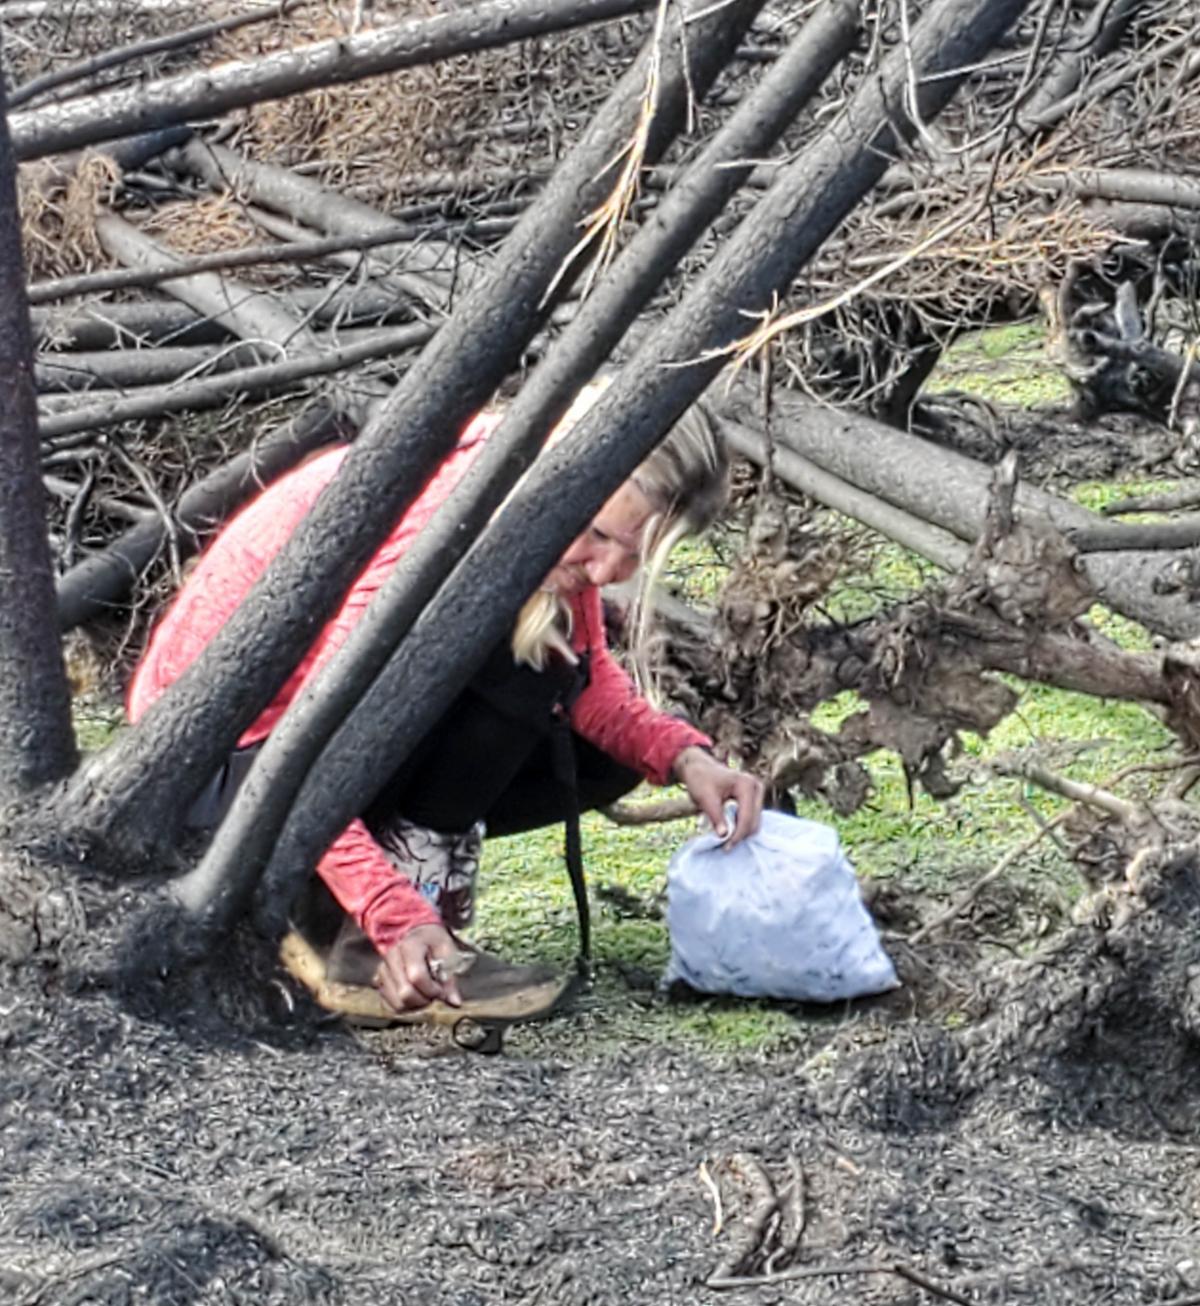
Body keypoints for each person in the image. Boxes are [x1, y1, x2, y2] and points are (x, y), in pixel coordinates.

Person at [129, 392, 764, 1022]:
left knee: (556, 679)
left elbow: (586, 675)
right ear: (568, 471)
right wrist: (391, 915)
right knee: (500, 662)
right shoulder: (443, 522)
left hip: (292, 759)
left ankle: (384, 905)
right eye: (598, 536)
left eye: (634, 557)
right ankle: (362, 938)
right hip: (212, 778)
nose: (606, 572)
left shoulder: (531, 511)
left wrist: (686, 758)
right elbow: (301, 750)